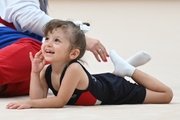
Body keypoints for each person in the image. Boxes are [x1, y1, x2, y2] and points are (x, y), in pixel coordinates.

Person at [6, 19, 173, 109]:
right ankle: (119, 71)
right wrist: (34, 73)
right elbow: (38, 99)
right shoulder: (46, 71)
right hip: (100, 82)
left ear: (73, 54)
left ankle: (127, 69)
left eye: (57, 41)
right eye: (47, 38)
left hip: (115, 91)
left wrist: (28, 103)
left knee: (166, 95)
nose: (48, 44)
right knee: (106, 79)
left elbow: (58, 102)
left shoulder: (73, 68)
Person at [0, 0, 109, 97]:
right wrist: (79, 37)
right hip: (7, 40)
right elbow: (27, 17)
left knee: (45, 72)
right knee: (36, 52)